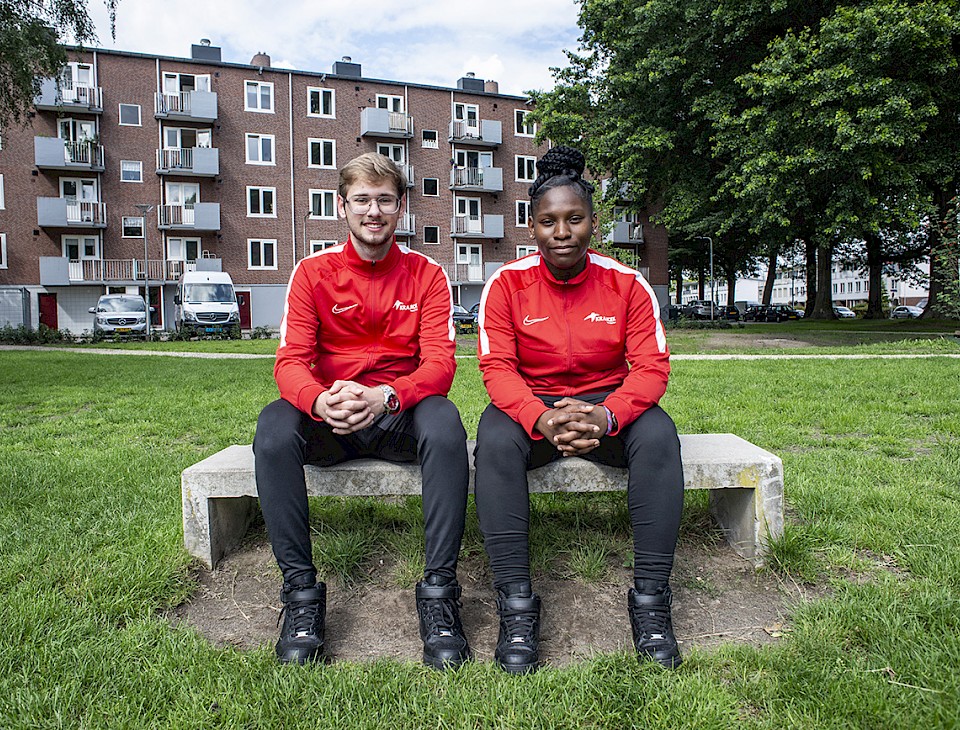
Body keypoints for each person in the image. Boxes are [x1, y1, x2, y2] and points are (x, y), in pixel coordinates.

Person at [253, 152, 471, 669]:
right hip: (333, 417)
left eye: (385, 201)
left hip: (397, 415)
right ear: (342, 206)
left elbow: (440, 364)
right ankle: (301, 595)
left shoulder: (428, 274)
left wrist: (388, 396)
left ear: (401, 208)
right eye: (362, 200)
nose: (374, 211)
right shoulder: (312, 273)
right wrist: (318, 400)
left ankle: (440, 594)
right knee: (273, 428)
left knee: (445, 424)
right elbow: (290, 361)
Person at [474, 146, 684, 674]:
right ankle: (516, 608)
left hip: (608, 407)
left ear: (594, 222)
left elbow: (652, 368)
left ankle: (652, 605)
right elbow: (497, 368)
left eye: (574, 219)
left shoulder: (627, 283)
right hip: (534, 408)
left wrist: (606, 416)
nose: (562, 232)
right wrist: (540, 417)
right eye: (548, 221)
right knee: (493, 439)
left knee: (660, 435)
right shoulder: (506, 285)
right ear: (532, 227)